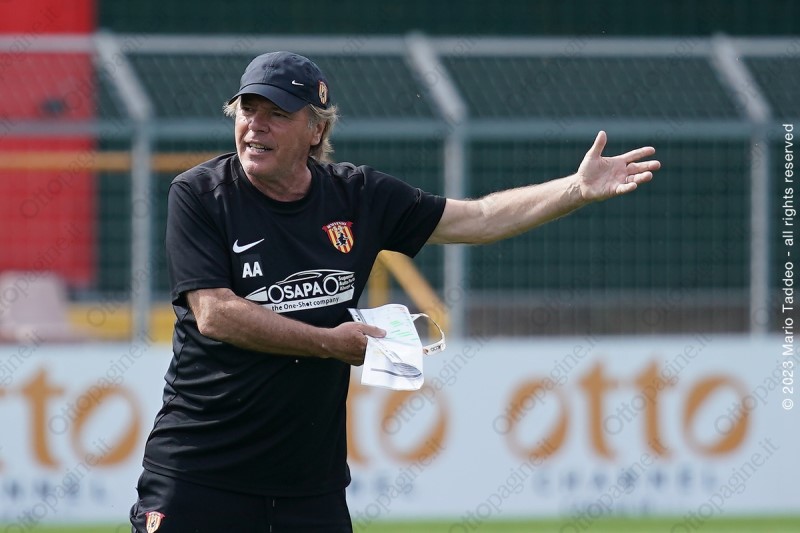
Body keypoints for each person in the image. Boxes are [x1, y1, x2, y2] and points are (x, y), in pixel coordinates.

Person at [129, 51, 660, 532]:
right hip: (199, 474)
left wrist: (574, 189)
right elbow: (215, 314)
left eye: (278, 114)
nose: (256, 125)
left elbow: (477, 219)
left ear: (316, 130)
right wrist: (330, 343)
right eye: (248, 110)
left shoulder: (358, 195)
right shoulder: (200, 194)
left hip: (308, 486)